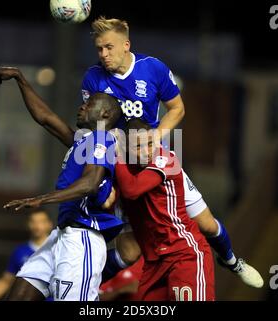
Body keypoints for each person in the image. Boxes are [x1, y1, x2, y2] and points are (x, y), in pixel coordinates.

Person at [81, 16, 264, 288]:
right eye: (99, 49)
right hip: (117, 163)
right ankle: (83, 283)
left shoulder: (152, 69)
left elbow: (177, 108)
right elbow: (91, 124)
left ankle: (232, 261)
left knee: (207, 224)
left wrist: (157, 135)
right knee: (130, 250)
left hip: (153, 160)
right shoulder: (93, 77)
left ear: (126, 45)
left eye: (108, 47)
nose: (103, 54)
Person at [0, 66, 124, 301]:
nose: (82, 106)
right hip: (61, 236)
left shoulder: (103, 139)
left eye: (90, 104)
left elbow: (90, 183)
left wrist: (41, 199)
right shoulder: (83, 140)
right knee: (20, 294)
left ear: (104, 115)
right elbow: (46, 118)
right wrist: (21, 79)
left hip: (83, 241)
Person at [114, 119, 215, 301]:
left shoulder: (165, 159)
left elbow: (131, 190)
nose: (146, 152)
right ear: (127, 148)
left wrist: (118, 154)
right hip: (154, 262)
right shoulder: (126, 168)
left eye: (150, 143)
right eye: (138, 147)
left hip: (183, 254)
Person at [0, 209, 53, 301]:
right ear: (28, 224)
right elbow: (6, 281)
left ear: (49, 224)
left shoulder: (60, 249)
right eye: (33, 221)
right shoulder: (20, 251)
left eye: (41, 222)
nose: (37, 226)